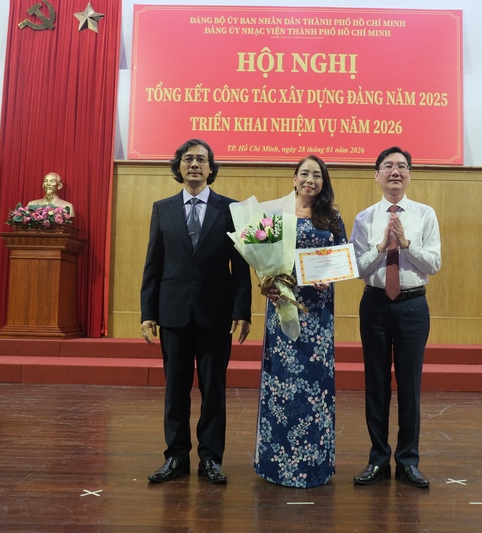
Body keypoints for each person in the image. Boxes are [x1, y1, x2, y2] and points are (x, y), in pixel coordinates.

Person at [140, 138, 252, 485]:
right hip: (172, 313)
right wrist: (148, 312)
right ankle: (175, 456)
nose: (194, 164)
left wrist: (243, 311)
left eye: (201, 160)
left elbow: (240, 266)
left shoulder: (230, 209)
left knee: (213, 389)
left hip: (216, 315)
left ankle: (210, 458)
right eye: (188, 159)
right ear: (179, 166)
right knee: (175, 389)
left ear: (210, 168)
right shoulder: (163, 208)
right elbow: (154, 263)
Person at [349, 146, 442, 489]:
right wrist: (380, 248)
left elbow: (434, 263)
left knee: (409, 385)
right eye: (388, 166)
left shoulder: (425, 214)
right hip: (374, 304)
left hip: (412, 306)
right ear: (376, 175)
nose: (395, 171)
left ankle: (407, 461)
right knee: (375, 384)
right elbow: (357, 268)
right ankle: (378, 459)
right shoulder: (364, 218)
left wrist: (405, 244)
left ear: (409, 175)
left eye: (402, 166)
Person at [255, 155, 347, 488]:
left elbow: (342, 257)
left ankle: (315, 465)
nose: (310, 179)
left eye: (317, 175)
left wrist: (329, 277)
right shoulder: (275, 215)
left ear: (323, 182)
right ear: (294, 178)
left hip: (318, 316)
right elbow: (261, 261)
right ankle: (276, 465)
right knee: (281, 387)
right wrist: (266, 284)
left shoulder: (332, 217)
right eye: (304, 173)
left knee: (315, 387)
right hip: (283, 309)